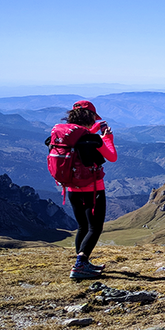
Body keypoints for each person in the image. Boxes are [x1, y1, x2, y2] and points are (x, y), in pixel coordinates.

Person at [55, 100, 117, 280]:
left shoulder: (66, 136)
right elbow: (112, 156)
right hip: (93, 188)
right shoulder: (92, 138)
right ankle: (80, 264)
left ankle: (83, 263)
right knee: (95, 227)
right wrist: (107, 137)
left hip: (72, 188)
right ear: (90, 117)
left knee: (82, 226)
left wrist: (93, 131)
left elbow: (80, 141)